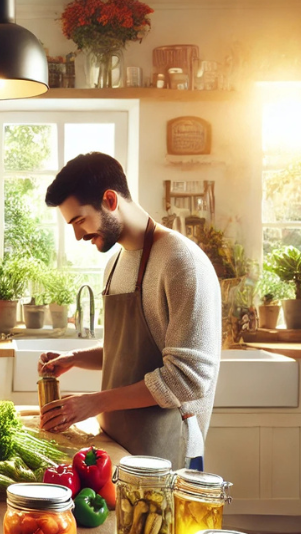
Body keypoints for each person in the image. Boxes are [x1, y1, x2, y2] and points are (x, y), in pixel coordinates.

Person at [37, 152, 221, 470]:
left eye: (79, 220)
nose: (78, 235)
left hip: (170, 451)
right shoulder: (115, 263)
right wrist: (76, 358)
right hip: (119, 447)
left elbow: (187, 380)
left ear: (110, 199)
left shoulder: (181, 261)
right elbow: (130, 353)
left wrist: (93, 402)